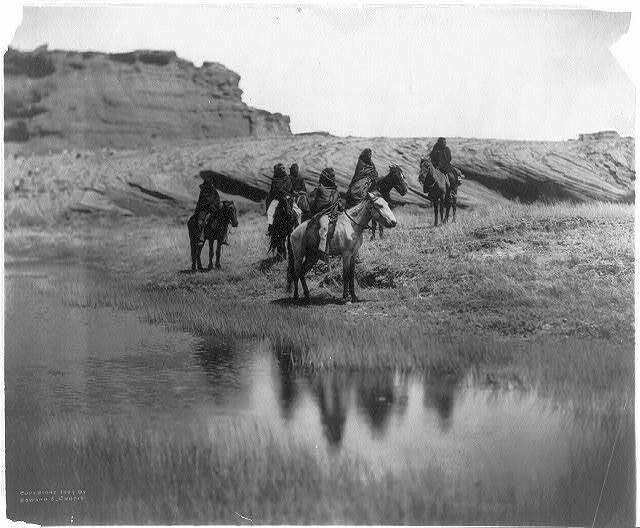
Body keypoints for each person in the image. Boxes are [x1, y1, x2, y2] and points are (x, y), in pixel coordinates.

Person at [310, 167, 341, 262]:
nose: (334, 178)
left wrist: (341, 208)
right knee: (324, 228)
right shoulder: (320, 189)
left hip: (335, 214)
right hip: (324, 214)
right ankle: (322, 254)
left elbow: (338, 203)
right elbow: (317, 204)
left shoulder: (335, 190)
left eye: (334, 176)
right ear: (327, 177)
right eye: (332, 176)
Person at [194, 170, 221, 246]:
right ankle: (200, 238)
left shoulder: (214, 191)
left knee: (223, 219)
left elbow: (218, 200)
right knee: (200, 222)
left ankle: (223, 237)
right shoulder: (203, 192)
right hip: (204, 210)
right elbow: (200, 202)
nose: (211, 184)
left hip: (214, 209)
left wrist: (215, 205)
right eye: (209, 183)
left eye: (211, 183)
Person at [266, 163, 292, 236]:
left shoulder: (287, 178)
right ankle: (270, 228)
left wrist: (285, 193)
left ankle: (296, 227)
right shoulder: (274, 179)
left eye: (284, 168)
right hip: (277, 199)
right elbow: (272, 190)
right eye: (281, 168)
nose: (283, 170)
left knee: (298, 211)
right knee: (270, 211)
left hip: (286, 197)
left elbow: (289, 188)